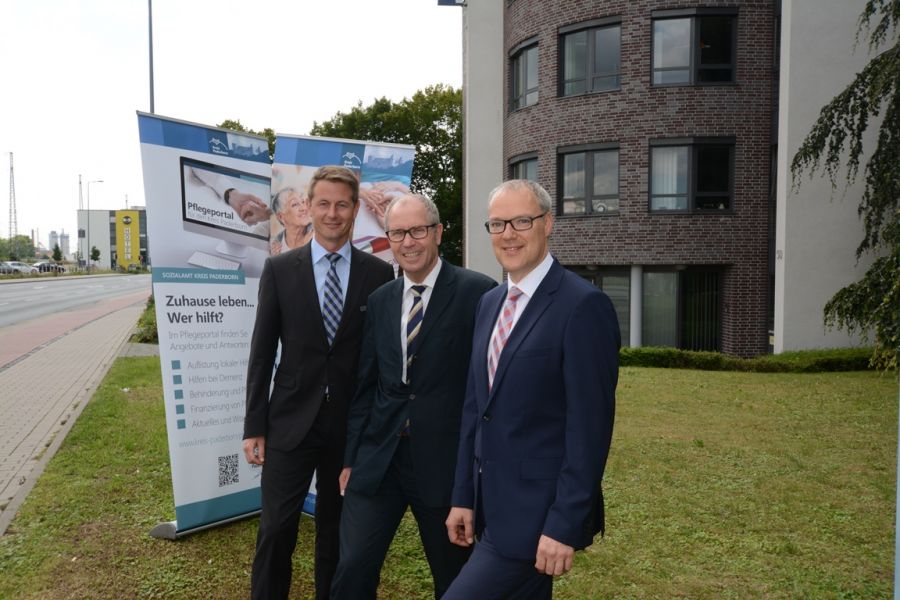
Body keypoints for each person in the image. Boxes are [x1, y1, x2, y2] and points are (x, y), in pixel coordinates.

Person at [443, 180, 620, 599]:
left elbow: (589, 429)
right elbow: (475, 407)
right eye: (498, 224)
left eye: (522, 221)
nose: (508, 234)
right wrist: (464, 496)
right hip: (490, 507)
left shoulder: (582, 306)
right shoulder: (489, 303)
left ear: (548, 223)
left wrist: (564, 524)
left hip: (535, 518)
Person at [330, 194, 496, 599]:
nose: (408, 242)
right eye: (398, 233)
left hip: (445, 465)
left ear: (438, 233)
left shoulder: (480, 293)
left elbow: (490, 390)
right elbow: (367, 387)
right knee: (351, 568)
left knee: (455, 580)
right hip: (379, 460)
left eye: (418, 230)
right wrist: (352, 457)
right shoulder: (380, 300)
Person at [243, 165, 395, 600]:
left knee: (336, 531)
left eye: (341, 204)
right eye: (323, 203)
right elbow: (260, 352)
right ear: (309, 207)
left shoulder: (378, 275)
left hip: (348, 429)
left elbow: (378, 361)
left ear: (353, 210)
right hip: (289, 422)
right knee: (275, 530)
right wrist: (254, 424)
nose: (332, 213)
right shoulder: (279, 269)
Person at [270, 187, 313, 254]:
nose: (303, 208)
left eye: (302, 202)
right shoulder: (275, 248)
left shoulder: (318, 235)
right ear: (281, 217)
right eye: (295, 204)